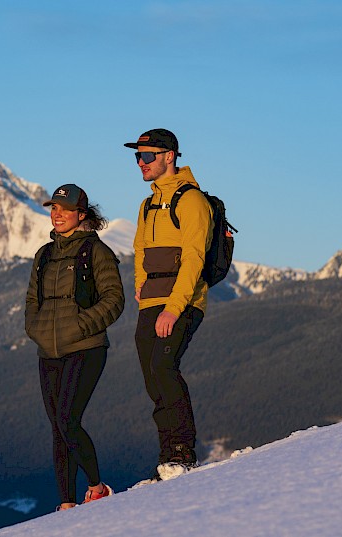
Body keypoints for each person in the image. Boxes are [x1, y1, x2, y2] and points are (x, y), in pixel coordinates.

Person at [25, 184, 125, 510]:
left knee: (68, 419)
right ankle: (66, 504)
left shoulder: (97, 253)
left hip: (86, 347)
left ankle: (96, 486)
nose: (56, 215)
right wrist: (35, 329)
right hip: (48, 351)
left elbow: (114, 300)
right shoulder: (44, 254)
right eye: (53, 208)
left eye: (64, 210)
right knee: (58, 428)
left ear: (81, 214)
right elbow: (32, 300)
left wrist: (81, 326)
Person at [124, 128, 213, 479]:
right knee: (152, 377)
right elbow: (139, 250)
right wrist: (140, 287)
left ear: (169, 156)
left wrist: (174, 307)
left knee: (163, 367)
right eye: (138, 157)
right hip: (152, 302)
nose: (141, 163)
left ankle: (182, 451)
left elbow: (194, 258)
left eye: (147, 156)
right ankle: (167, 457)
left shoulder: (191, 200)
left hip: (183, 301)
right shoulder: (147, 204)